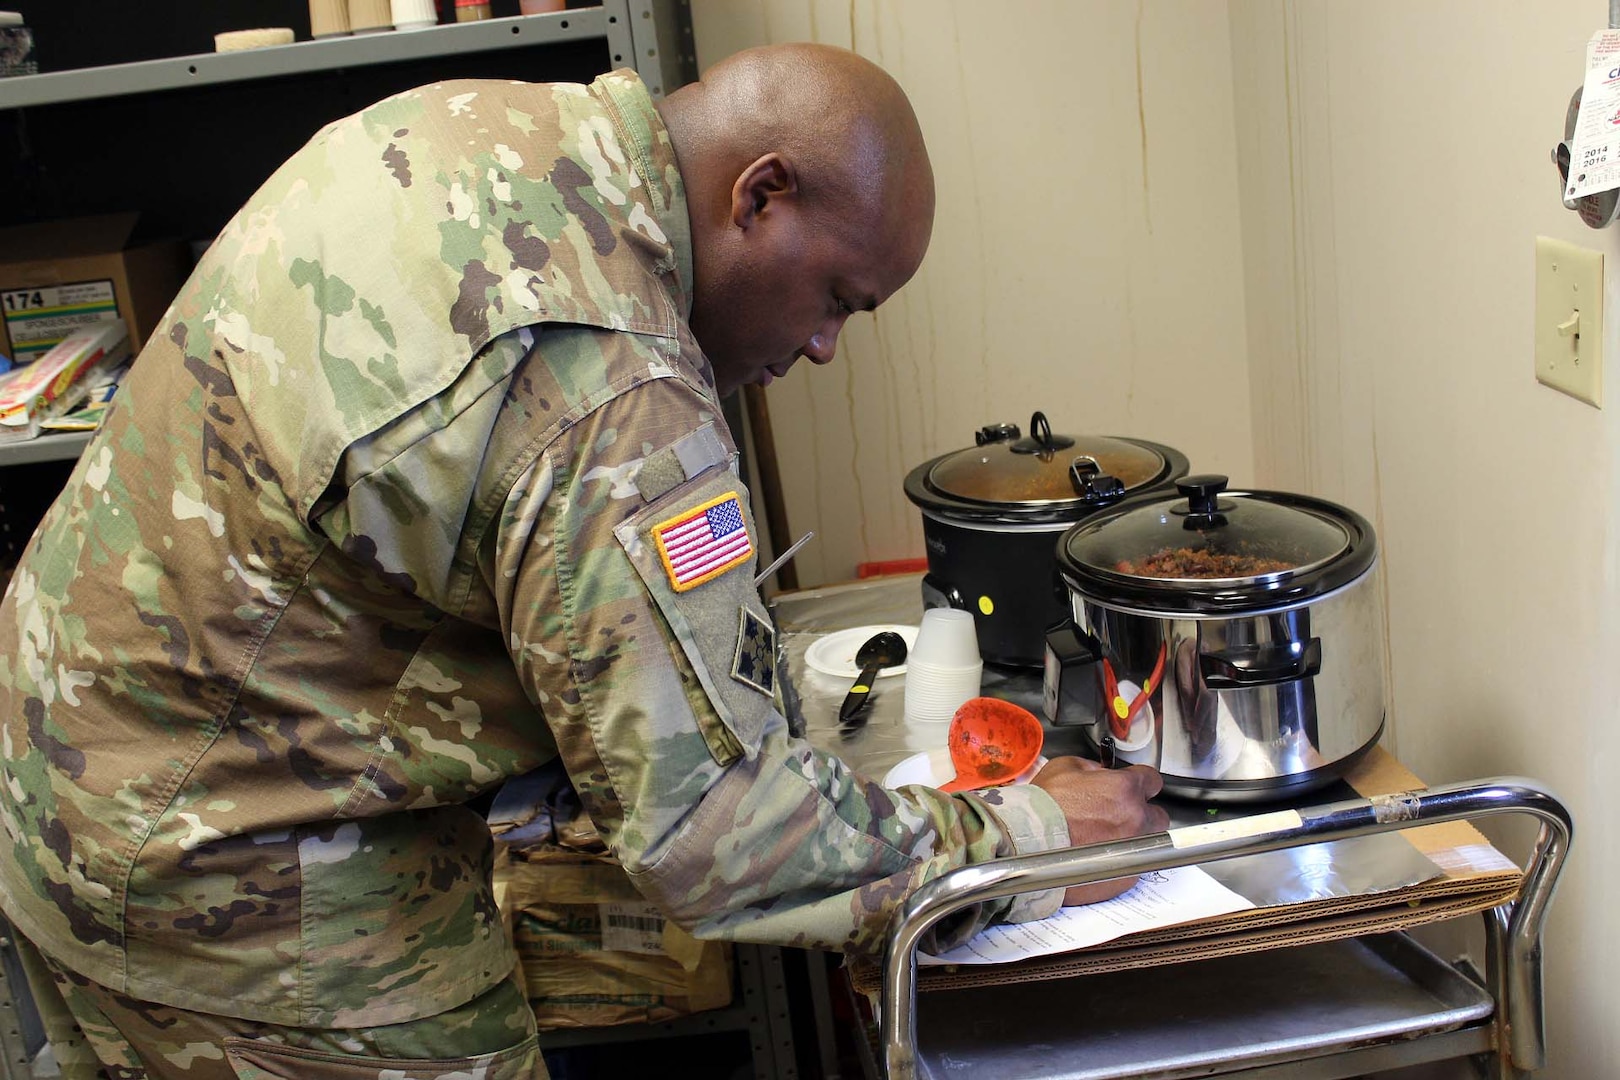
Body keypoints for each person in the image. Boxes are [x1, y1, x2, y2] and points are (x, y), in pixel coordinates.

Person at [0, 42, 1166, 1079]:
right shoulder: (611, 379)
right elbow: (710, 835)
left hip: (67, 781)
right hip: (240, 888)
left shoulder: (485, 132)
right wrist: (1031, 841)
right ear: (761, 194)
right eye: (837, 299)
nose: (821, 344)